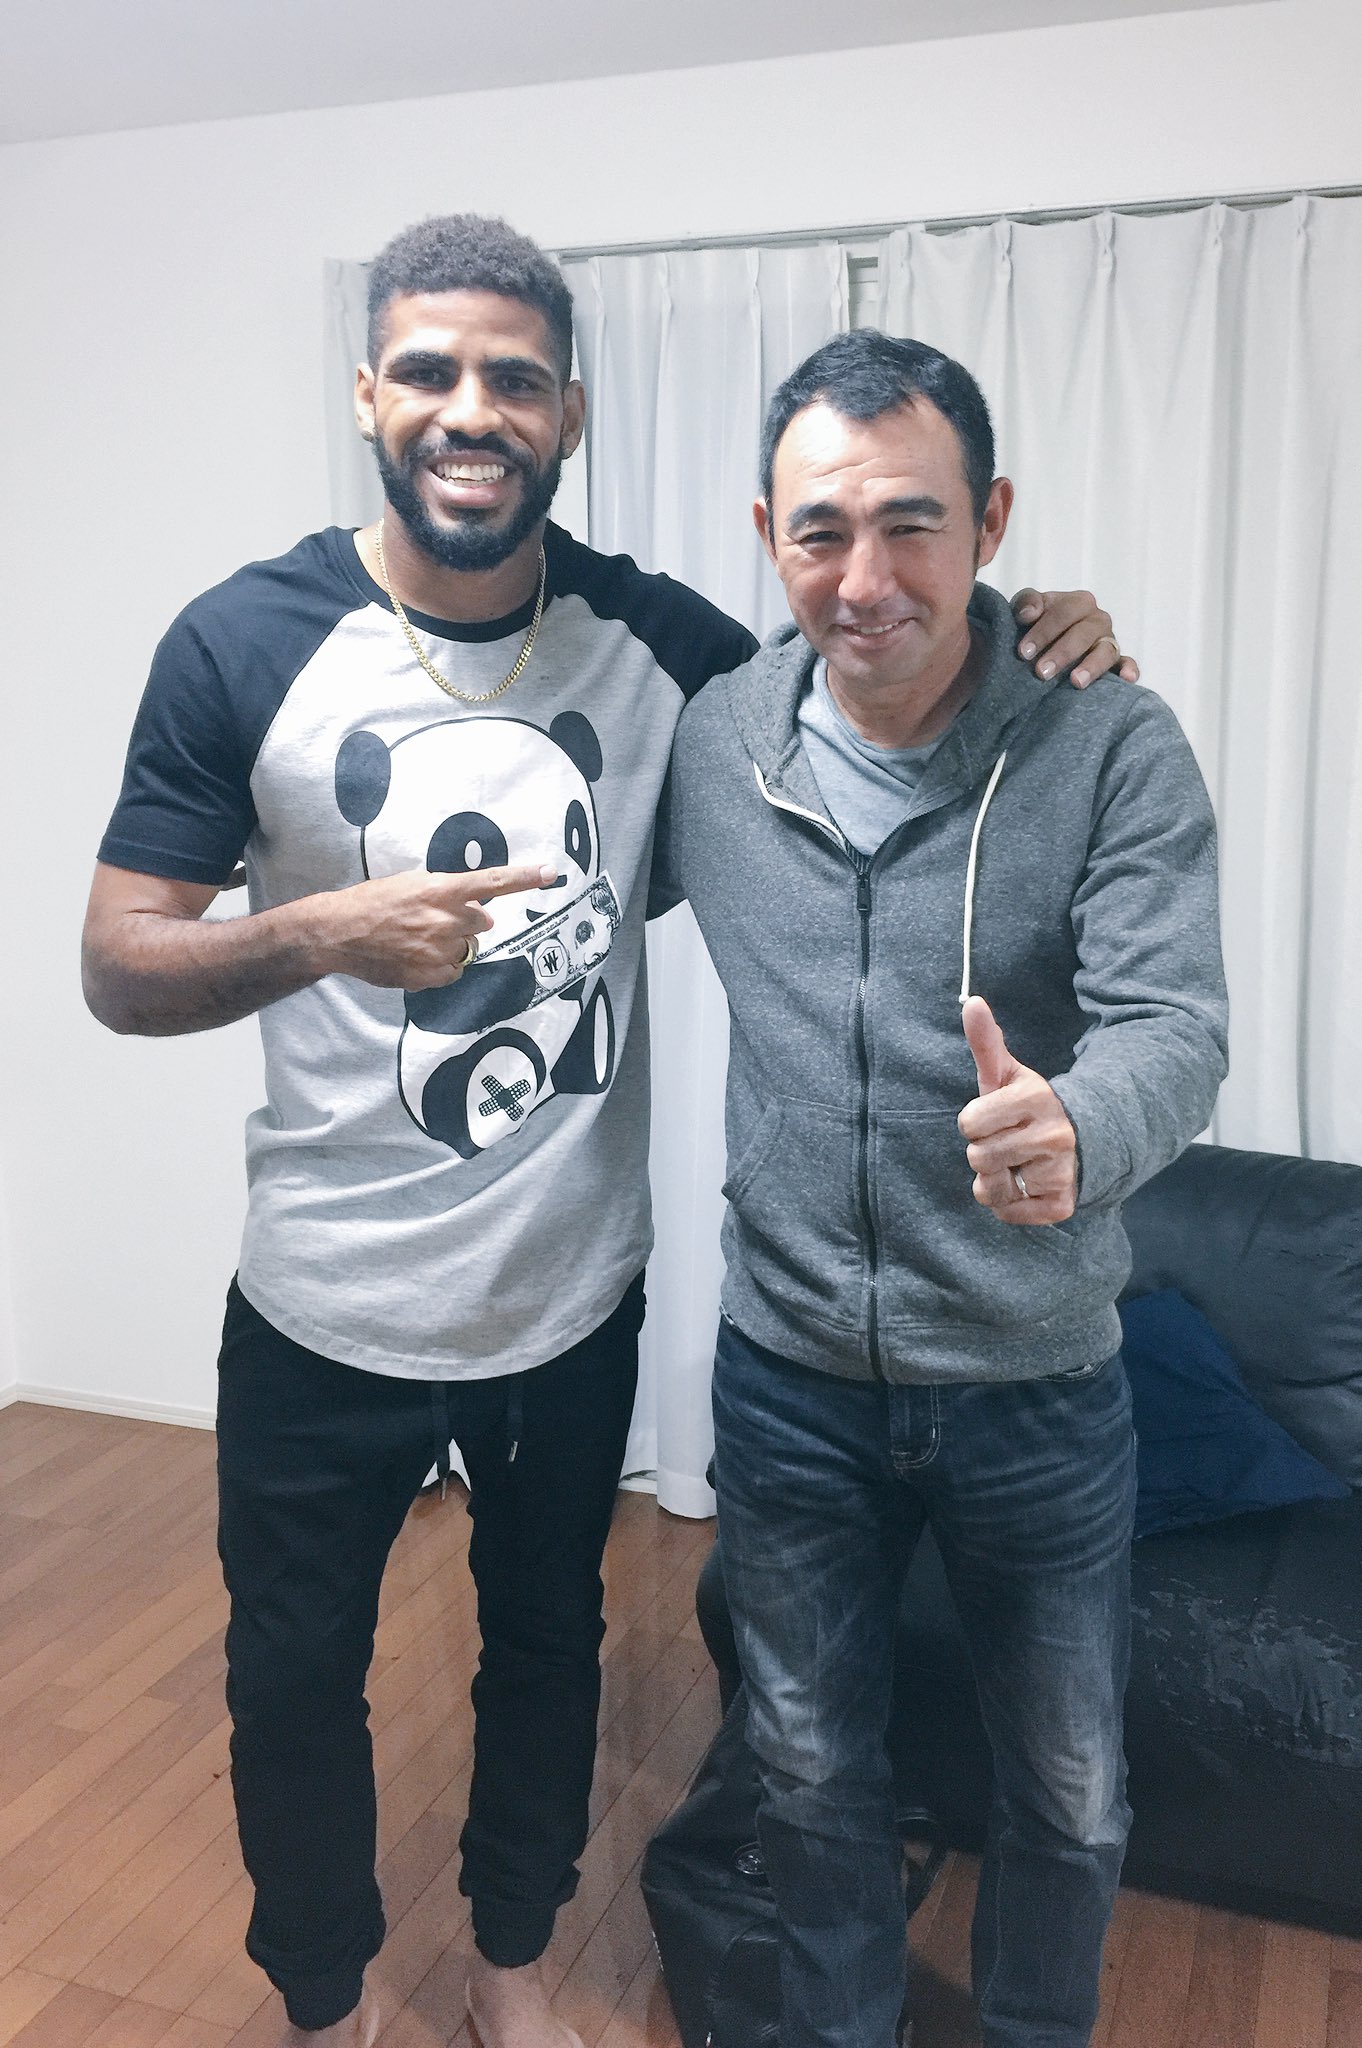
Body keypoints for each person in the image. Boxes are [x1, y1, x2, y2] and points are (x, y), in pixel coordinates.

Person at [80, 216, 1130, 2048]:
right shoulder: (242, 642)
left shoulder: (664, 651)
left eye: (514, 379)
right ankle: (326, 2001)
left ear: (568, 411)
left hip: (566, 1301)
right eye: (429, 371)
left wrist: (1043, 628)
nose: (469, 410)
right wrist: (320, 930)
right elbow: (119, 963)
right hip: (320, 1303)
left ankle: (508, 1964)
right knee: (289, 1681)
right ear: (369, 393)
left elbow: (874, 657)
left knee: (550, 1655)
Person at [655, 330, 1228, 2048]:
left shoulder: (1109, 740)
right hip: (788, 1383)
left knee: (1069, 1789)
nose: (867, 579)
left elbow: (1176, 1025)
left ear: (992, 519)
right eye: (821, 530)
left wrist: (1083, 1125)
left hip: (1034, 1382)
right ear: (767, 536)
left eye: (913, 523)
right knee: (808, 1771)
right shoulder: (714, 745)